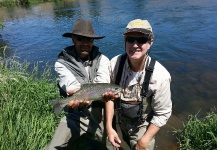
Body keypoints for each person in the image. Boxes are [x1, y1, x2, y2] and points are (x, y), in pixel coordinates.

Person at [104, 19, 172, 150]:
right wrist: (109, 128)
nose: (135, 45)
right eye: (130, 39)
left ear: (150, 42)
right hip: (119, 120)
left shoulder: (160, 76)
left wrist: (143, 142)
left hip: (142, 127)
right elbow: (110, 97)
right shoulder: (115, 64)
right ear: (125, 41)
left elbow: (162, 113)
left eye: (141, 39)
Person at [46, 18, 113, 150]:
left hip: (97, 113)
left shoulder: (103, 60)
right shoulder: (61, 63)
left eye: (89, 40)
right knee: (53, 148)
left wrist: (90, 98)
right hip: (74, 114)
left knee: (109, 146)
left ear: (93, 41)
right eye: (80, 38)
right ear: (73, 39)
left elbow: (101, 84)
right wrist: (80, 98)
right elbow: (71, 88)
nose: (85, 43)